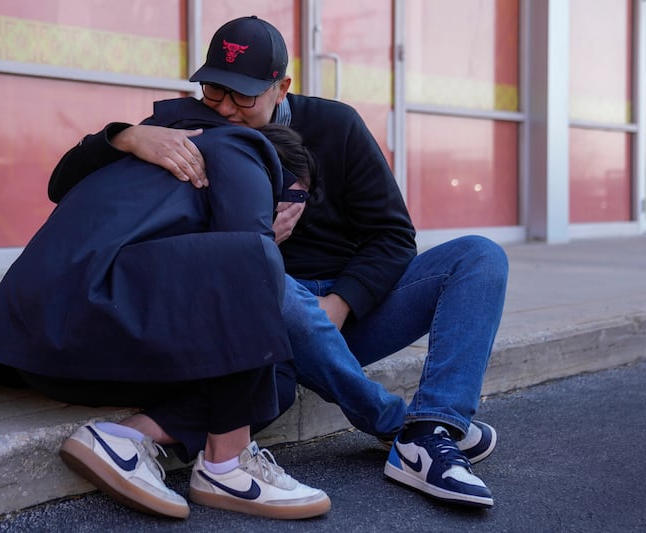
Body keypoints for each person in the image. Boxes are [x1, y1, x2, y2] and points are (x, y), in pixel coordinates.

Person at [47, 16, 509, 509]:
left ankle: (435, 422)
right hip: (260, 318)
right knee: (261, 285)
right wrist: (124, 136)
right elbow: (62, 186)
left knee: (479, 257)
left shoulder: (337, 124)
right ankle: (402, 429)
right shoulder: (188, 125)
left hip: (341, 313)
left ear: (281, 86)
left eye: (243, 96)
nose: (226, 109)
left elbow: (394, 237)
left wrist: (340, 303)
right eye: (214, 91)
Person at [0, 107, 331, 520]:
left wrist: (121, 136)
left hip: (38, 348)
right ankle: (227, 464)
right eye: (295, 198)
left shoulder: (170, 158)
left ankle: (124, 439)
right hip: (76, 324)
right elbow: (248, 256)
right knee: (257, 260)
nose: (293, 212)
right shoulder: (245, 146)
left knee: (272, 375)